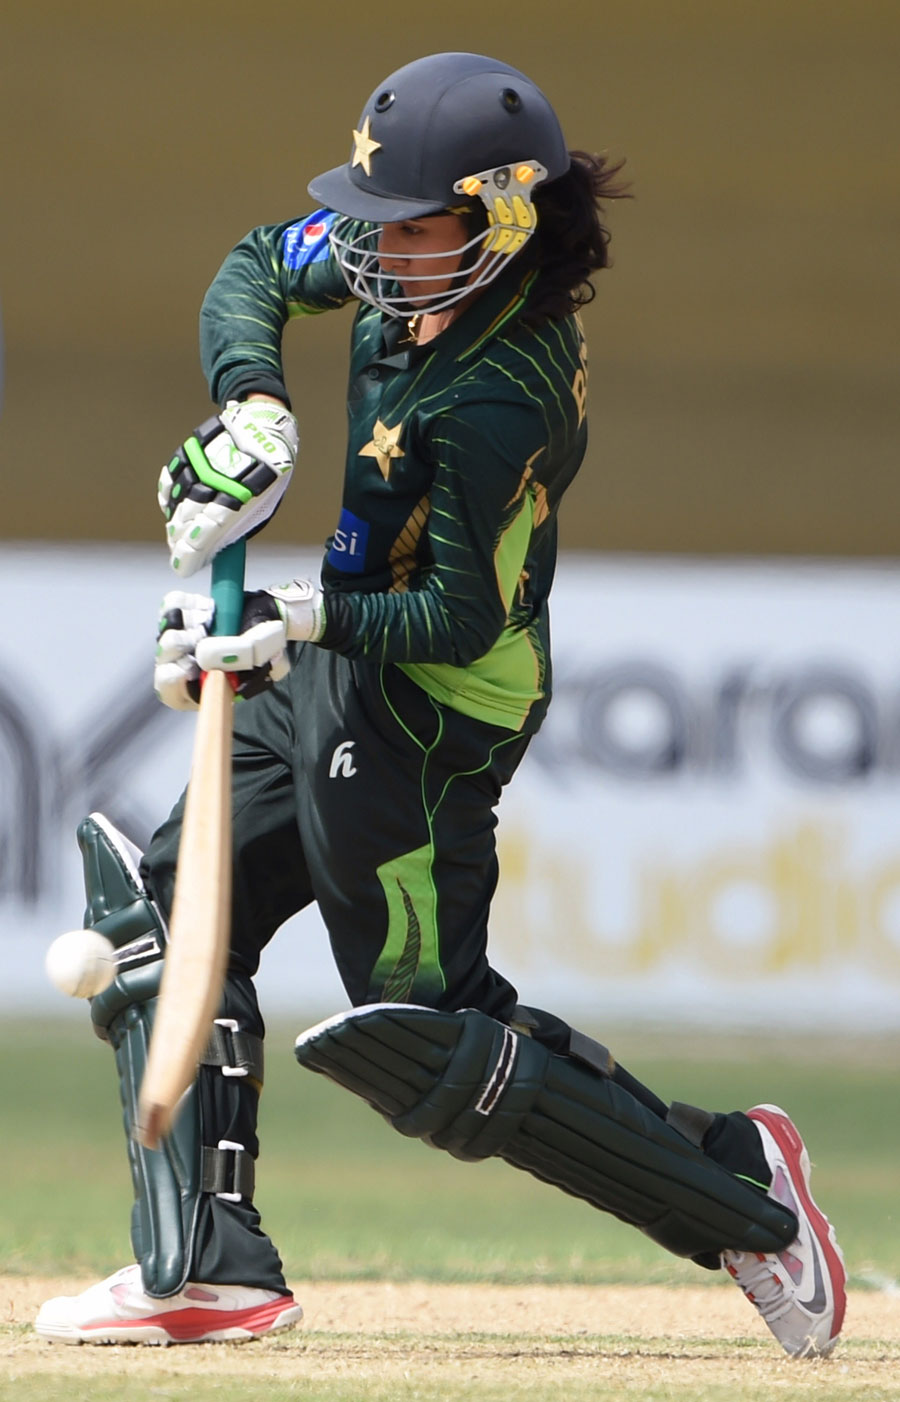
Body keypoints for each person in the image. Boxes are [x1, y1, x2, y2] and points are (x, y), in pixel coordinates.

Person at [36, 52, 846, 1356]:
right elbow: (255, 260)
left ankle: (743, 1189)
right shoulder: (393, 261)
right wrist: (254, 401)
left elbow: (461, 617)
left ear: (501, 220)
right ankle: (204, 1266)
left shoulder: (501, 392)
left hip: (429, 714)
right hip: (342, 661)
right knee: (166, 912)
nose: (374, 241)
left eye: (410, 220)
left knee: (429, 1040)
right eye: (373, 208)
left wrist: (289, 617)